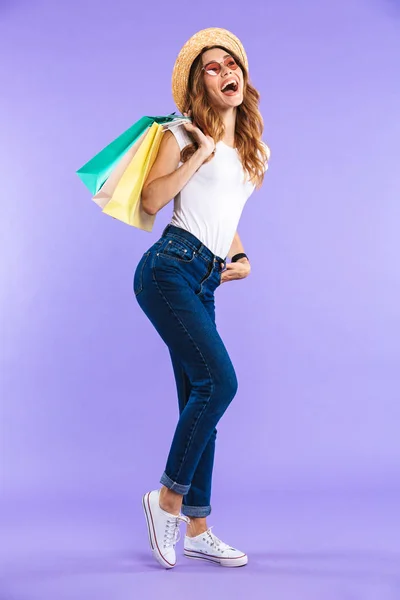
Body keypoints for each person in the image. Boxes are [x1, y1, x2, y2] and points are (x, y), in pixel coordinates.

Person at [134, 27, 270, 569]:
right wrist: (197, 154)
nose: (224, 72)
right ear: (198, 85)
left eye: (229, 63)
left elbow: (225, 214)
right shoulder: (182, 134)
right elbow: (151, 199)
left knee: (201, 400)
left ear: (243, 75)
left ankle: (197, 528)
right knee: (220, 382)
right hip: (167, 267)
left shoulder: (254, 150)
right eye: (211, 68)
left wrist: (239, 256)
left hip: (205, 276)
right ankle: (166, 498)